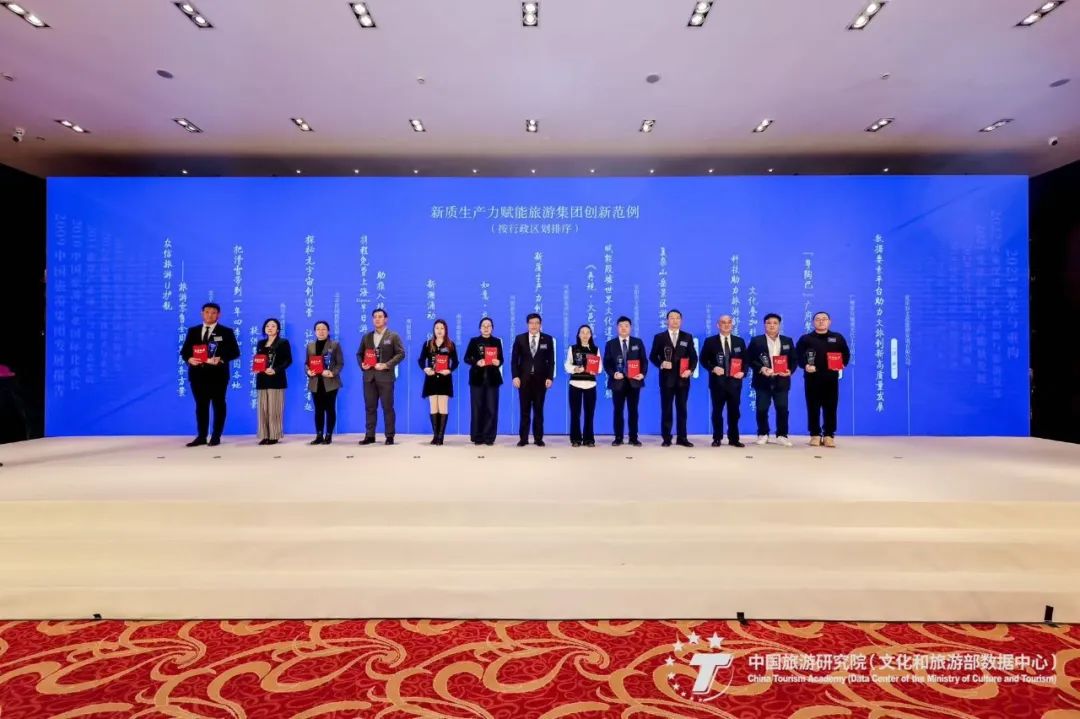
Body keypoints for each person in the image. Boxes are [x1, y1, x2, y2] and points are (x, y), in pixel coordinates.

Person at [180, 302, 240, 446]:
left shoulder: (226, 331)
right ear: (202, 313)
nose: (210, 315)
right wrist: (189, 359)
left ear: (219, 315)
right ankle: (201, 436)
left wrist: (221, 358)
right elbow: (185, 351)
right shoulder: (193, 331)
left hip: (218, 375)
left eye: (213, 312)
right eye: (207, 312)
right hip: (197, 375)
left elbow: (235, 352)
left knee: (218, 405)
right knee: (201, 406)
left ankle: (216, 436)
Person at [796, 311, 851, 447]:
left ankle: (829, 435)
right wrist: (805, 365)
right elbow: (798, 356)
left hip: (831, 379)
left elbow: (846, 354)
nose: (821, 321)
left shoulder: (837, 337)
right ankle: (814, 434)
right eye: (818, 319)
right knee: (813, 407)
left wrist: (842, 364)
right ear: (813, 322)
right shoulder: (806, 339)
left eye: (824, 319)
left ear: (829, 322)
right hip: (812, 379)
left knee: (830, 407)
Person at [356, 308, 406, 445]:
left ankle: (389, 436)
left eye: (380, 316)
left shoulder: (393, 336)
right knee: (370, 407)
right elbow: (359, 354)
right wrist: (363, 365)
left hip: (386, 378)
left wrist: (386, 365)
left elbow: (401, 354)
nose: (377, 319)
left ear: (386, 319)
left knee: (387, 408)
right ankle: (370, 435)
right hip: (369, 377)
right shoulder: (366, 337)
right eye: (375, 317)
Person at [746, 313, 798, 446]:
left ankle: (782, 435)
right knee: (762, 409)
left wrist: (790, 370)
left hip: (782, 381)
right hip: (762, 380)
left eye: (775, 323)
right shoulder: (756, 341)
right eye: (769, 323)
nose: (772, 325)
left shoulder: (787, 341)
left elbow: (794, 359)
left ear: (779, 325)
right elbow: (749, 359)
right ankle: (763, 434)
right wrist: (761, 368)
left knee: (782, 409)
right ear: (764, 325)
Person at [649, 308, 698, 447]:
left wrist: (690, 370)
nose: (675, 320)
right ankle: (666, 438)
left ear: (681, 321)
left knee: (682, 410)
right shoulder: (659, 337)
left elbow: (694, 358)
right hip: (666, 380)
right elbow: (652, 356)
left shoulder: (687, 337)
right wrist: (661, 364)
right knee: (667, 409)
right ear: (667, 321)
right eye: (672, 318)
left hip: (683, 379)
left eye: (677, 318)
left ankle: (682, 438)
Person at [700, 315, 747, 448]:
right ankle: (717, 438)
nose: (726, 325)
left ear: (732, 325)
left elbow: (746, 360)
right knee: (717, 412)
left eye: (729, 322)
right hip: (717, 383)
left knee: (734, 412)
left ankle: (734, 438)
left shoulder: (739, 341)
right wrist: (713, 368)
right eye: (723, 322)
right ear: (718, 325)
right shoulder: (710, 341)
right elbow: (703, 360)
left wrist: (743, 372)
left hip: (735, 383)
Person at [510, 313, 555, 447]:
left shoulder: (548, 339)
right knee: (524, 410)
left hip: (541, 380)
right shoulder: (520, 339)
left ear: (540, 324)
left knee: (538, 410)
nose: (534, 325)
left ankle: (538, 438)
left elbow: (551, 361)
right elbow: (514, 360)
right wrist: (515, 376)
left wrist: (549, 377)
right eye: (531, 323)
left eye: (537, 323)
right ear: (527, 324)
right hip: (524, 380)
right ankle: (523, 439)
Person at [603, 316, 646, 447]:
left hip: (634, 382)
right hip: (618, 382)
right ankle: (618, 437)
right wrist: (613, 374)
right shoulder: (611, 344)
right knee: (618, 410)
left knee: (633, 411)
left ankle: (633, 438)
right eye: (621, 325)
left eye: (626, 325)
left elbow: (644, 361)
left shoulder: (637, 342)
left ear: (630, 328)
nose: (623, 328)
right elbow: (606, 363)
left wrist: (642, 374)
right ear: (617, 328)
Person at [418, 318, 459, 445]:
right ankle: (435, 436)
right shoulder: (427, 344)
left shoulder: (450, 344)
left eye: (442, 328)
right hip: (431, 379)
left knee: (443, 406)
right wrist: (425, 368)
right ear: (433, 330)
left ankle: (441, 437)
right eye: (437, 328)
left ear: (445, 330)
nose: (439, 330)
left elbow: (456, 362)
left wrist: (449, 370)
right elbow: (421, 360)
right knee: (433, 407)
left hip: (444, 379)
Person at [463, 317, 504, 446]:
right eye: (484, 326)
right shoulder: (474, 341)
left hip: (493, 380)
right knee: (477, 409)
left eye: (489, 326)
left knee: (492, 409)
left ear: (492, 328)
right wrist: (476, 362)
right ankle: (477, 436)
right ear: (480, 328)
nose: (486, 328)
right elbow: (466, 358)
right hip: (477, 379)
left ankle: (489, 437)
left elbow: (501, 359)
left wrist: (498, 362)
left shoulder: (497, 341)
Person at [253, 318, 293, 445]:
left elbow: (288, 360)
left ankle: (274, 435)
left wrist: (275, 370)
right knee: (263, 409)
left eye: (273, 326)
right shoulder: (260, 343)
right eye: (267, 326)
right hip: (262, 378)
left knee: (274, 409)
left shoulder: (283, 342)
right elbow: (259, 359)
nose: (270, 328)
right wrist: (256, 367)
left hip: (276, 379)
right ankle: (264, 435)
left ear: (278, 329)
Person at [305, 320, 344, 445]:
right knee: (318, 410)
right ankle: (319, 435)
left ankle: (328, 435)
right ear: (314, 332)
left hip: (330, 382)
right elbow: (306, 363)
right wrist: (308, 371)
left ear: (328, 331)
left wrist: (333, 373)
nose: (321, 331)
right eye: (318, 329)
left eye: (323, 329)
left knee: (330, 408)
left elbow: (340, 363)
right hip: (315, 382)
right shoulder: (310, 346)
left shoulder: (334, 345)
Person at [565, 323, 600, 447]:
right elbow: (567, 364)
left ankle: (589, 439)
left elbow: (599, 367)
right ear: (578, 335)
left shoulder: (595, 349)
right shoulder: (573, 348)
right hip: (575, 384)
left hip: (590, 384)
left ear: (591, 335)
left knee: (589, 413)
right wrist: (574, 369)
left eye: (587, 332)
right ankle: (575, 439)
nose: (585, 335)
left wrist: (595, 370)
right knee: (575, 413)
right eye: (582, 332)